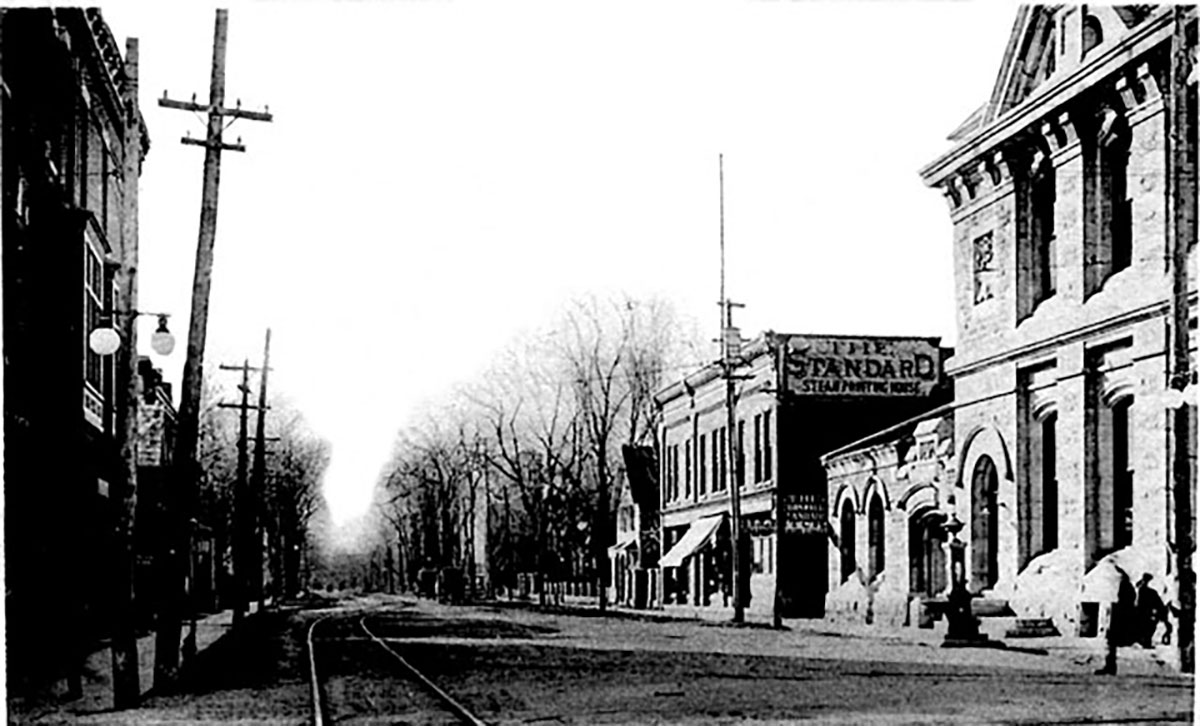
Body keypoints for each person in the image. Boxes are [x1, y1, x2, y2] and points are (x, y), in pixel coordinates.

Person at [1096, 566, 1136, 675]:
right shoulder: (1128, 587)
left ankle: (1110, 667)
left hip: (1119, 618)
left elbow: (1124, 602)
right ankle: (1110, 666)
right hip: (1119, 616)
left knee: (1111, 644)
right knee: (1110, 645)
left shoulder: (1125, 587)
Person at [1134, 573, 1168, 648]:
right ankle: (1144, 642)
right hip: (1144, 612)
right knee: (1147, 627)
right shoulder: (1147, 591)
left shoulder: (1145, 590)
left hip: (1142, 611)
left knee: (1146, 626)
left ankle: (1144, 641)